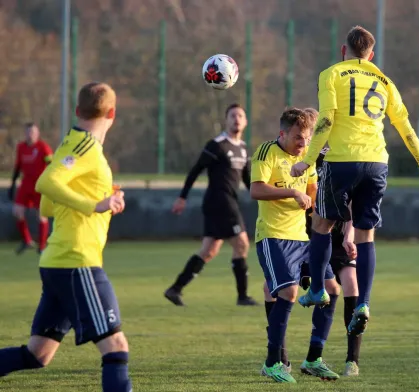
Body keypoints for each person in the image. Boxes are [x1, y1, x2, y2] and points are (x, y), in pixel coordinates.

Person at [290, 25, 419, 337]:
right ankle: (363, 304)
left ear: (344, 51)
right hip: (377, 162)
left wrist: (306, 160)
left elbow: (326, 119)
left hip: (342, 160)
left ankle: (317, 289)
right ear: (371, 55)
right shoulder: (385, 81)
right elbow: (405, 126)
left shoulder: (331, 74)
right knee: (366, 236)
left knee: (321, 223)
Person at [0, 82, 132, 391]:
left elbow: (46, 206)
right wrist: (93, 203)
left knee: (38, 353)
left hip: (58, 262)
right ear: (112, 113)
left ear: (77, 111)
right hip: (77, 262)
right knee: (116, 347)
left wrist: (104, 196)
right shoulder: (84, 146)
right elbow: (47, 183)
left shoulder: (70, 144)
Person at [252, 108, 339, 383]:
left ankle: (314, 358)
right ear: (283, 134)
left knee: (332, 290)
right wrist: (292, 191)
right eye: (299, 138)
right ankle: (272, 362)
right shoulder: (267, 151)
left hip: (303, 237)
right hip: (273, 236)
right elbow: (256, 189)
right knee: (288, 292)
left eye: (307, 138)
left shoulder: (307, 158)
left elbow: (311, 191)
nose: (303, 143)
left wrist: (318, 207)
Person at [164, 103, 258, 307]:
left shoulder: (242, 148)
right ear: (226, 120)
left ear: (246, 121)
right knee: (241, 244)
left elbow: (248, 180)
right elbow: (195, 170)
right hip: (220, 202)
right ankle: (242, 296)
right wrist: (182, 197)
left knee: (208, 251)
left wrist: (264, 196)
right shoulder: (217, 145)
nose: (237, 119)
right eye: (233, 115)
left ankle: (175, 289)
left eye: (240, 115)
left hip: (227, 202)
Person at [301, 107, 362, 377]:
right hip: (310, 235)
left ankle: (352, 359)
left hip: (339, 235)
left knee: (349, 286)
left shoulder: (341, 155)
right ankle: (282, 356)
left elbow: (353, 199)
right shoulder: (306, 159)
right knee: (312, 290)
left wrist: (350, 234)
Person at [8, 123, 53, 254]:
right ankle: (27, 241)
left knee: (41, 216)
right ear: (25, 133)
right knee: (17, 212)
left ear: (37, 134)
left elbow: (51, 164)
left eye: (33, 132)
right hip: (25, 184)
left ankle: (42, 246)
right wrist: (12, 184)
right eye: (28, 132)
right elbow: (18, 167)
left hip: (39, 186)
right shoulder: (21, 147)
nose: (30, 134)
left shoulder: (43, 147)